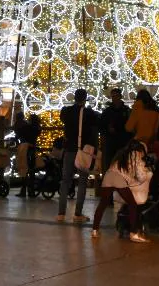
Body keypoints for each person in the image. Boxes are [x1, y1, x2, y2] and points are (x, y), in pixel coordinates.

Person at [91, 139, 152, 241]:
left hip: (108, 176)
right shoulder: (138, 155)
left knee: (102, 204)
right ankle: (133, 233)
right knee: (132, 204)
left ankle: (94, 230)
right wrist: (148, 173)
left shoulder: (121, 154)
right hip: (119, 179)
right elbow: (141, 176)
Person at [57, 88, 100, 224]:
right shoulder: (89, 114)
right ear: (85, 98)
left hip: (69, 149)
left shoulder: (66, 112)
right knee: (82, 181)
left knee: (65, 181)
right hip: (83, 151)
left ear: (74, 98)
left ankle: (61, 213)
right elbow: (98, 123)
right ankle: (77, 213)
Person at [100, 88, 130, 172]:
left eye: (116, 96)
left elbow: (129, 126)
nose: (115, 98)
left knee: (122, 165)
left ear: (120, 97)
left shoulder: (126, 111)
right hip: (110, 142)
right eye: (113, 96)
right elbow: (102, 126)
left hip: (122, 142)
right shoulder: (107, 111)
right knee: (109, 164)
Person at [14, 111, 41, 198]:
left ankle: (23, 190)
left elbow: (19, 133)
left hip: (25, 149)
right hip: (33, 149)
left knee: (24, 169)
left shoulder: (26, 128)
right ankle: (31, 191)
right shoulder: (37, 129)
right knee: (32, 170)